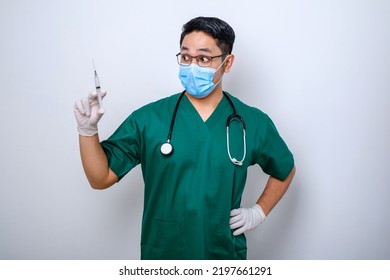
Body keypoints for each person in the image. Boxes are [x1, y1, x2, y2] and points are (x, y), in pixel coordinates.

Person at [74, 16, 295, 260]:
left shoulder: (252, 122)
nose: (191, 66)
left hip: (222, 252)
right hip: (165, 253)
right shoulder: (149, 119)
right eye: (185, 57)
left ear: (228, 62)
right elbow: (100, 177)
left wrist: (259, 212)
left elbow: (285, 169)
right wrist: (87, 131)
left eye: (203, 58)